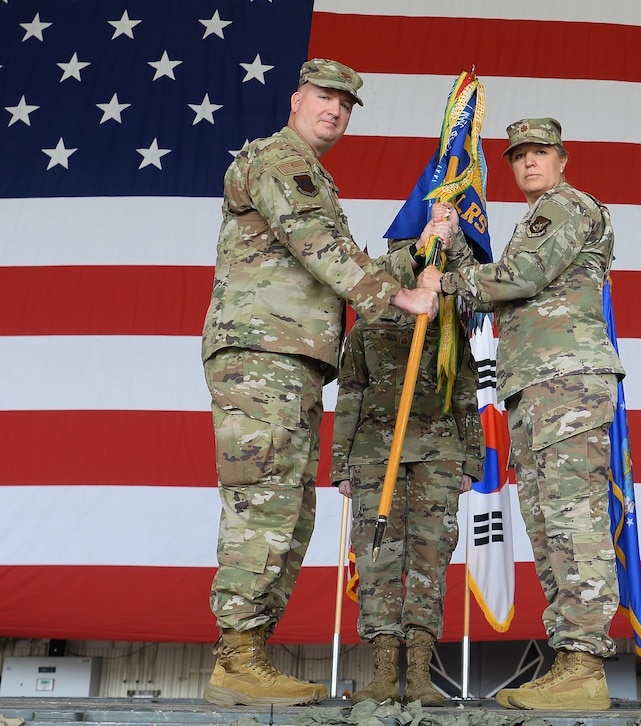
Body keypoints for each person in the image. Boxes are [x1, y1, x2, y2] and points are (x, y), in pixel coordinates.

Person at [200, 58, 456, 707]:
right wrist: (399, 296)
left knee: (288, 506)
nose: (335, 111)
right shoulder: (277, 159)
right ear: (296, 99)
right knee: (264, 501)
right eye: (324, 97)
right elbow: (319, 247)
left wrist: (420, 253)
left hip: (290, 359)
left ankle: (247, 654)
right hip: (262, 351)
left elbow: (342, 257)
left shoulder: (314, 174)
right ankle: (236, 658)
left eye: (345, 105)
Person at [418, 118, 624, 711]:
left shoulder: (564, 206)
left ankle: (584, 663)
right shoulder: (536, 219)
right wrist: (454, 243)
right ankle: (570, 661)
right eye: (519, 156)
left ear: (563, 158)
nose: (529, 162)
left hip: (567, 381)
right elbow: (512, 279)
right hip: (536, 383)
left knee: (572, 518)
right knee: (547, 521)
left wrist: (445, 283)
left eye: (541, 152)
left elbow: (519, 278)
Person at [332, 227, 483, 707]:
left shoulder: (449, 326)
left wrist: (471, 461)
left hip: (439, 455)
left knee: (429, 561)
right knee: (376, 561)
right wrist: (340, 464)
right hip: (377, 455)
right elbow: (350, 392)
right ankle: (381, 672)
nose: (417, 270)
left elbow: (465, 395)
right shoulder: (367, 323)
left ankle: (418, 671)